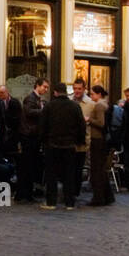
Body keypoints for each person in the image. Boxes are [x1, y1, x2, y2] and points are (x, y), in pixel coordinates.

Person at [39, 82, 85, 210]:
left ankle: (51, 202)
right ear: (66, 92)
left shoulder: (49, 106)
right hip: (69, 145)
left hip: (52, 145)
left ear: (55, 92)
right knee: (69, 174)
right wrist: (79, 141)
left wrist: (42, 141)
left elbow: (42, 126)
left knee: (51, 175)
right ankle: (69, 202)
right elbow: (81, 126)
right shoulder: (75, 106)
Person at [17, 77, 49, 203]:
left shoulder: (38, 99)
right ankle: (24, 193)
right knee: (27, 165)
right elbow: (29, 112)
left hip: (33, 135)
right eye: (44, 87)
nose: (46, 89)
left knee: (31, 166)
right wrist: (44, 111)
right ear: (37, 85)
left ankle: (26, 193)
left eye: (47, 87)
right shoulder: (30, 98)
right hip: (28, 135)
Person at [85, 85, 116, 207]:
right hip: (102, 140)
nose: (91, 96)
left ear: (99, 94)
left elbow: (101, 123)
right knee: (100, 169)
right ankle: (107, 196)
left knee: (97, 170)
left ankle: (99, 197)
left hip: (97, 139)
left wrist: (88, 119)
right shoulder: (105, 104)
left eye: (92, 94)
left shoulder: (99, 105)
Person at [71, 79, 95, 203]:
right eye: (75, 88)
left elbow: (97, 120)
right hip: (69, 140)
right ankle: (70, 190)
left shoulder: (90, 103)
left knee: (79, 167)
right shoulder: (69, 101)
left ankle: (76, 191)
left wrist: (89, 120)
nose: (76, 91)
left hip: (83, 140)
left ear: (84, 89)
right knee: (70, 166)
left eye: (79, 89)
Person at [0, 84, 22, 160]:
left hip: (13, 134)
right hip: (2, 134)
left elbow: (18, 117)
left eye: (2, 92)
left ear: (7, 92)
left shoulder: (15, 102)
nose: (0, 94)